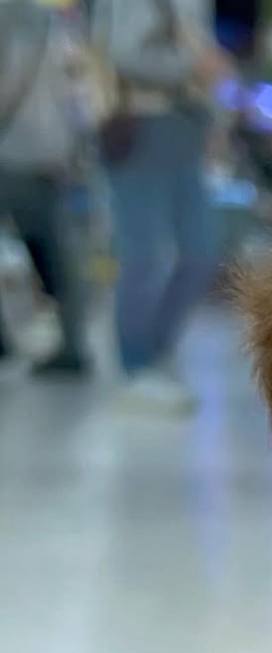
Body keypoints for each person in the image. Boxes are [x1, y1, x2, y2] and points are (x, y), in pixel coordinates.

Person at [92, 0, 228, 412]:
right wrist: (190, 65)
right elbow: (120, 52)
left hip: (186, 127)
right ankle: (135, 366)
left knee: (200, 253)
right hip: (140, 125)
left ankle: (154, 350)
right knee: (144, 256)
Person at [0, 0, 92, 376]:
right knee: (56, 252)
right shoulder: (58, 23)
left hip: (15, 149)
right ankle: (72, 343)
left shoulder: (13, 17)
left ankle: (67, 345)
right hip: (49, 154)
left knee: (50, 251)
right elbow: (77, 93)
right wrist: (71, 148)